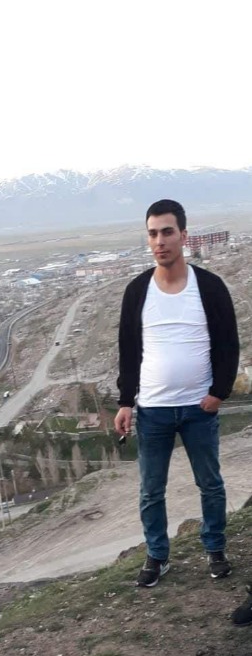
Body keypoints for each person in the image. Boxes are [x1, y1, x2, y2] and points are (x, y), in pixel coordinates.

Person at [114, 199, 239, 588]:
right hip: (153, 410)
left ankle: (215, 549)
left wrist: (219, 392)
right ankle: (157, 556)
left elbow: (228, 343)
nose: (160, 241)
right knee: (151, 491)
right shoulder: (138, 291)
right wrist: (125, 401)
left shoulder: (209, 287)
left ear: (183, 236)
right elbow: (128, 351)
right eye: (152, 233)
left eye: (167, 232)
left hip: (199, 408)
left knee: (211, 484)